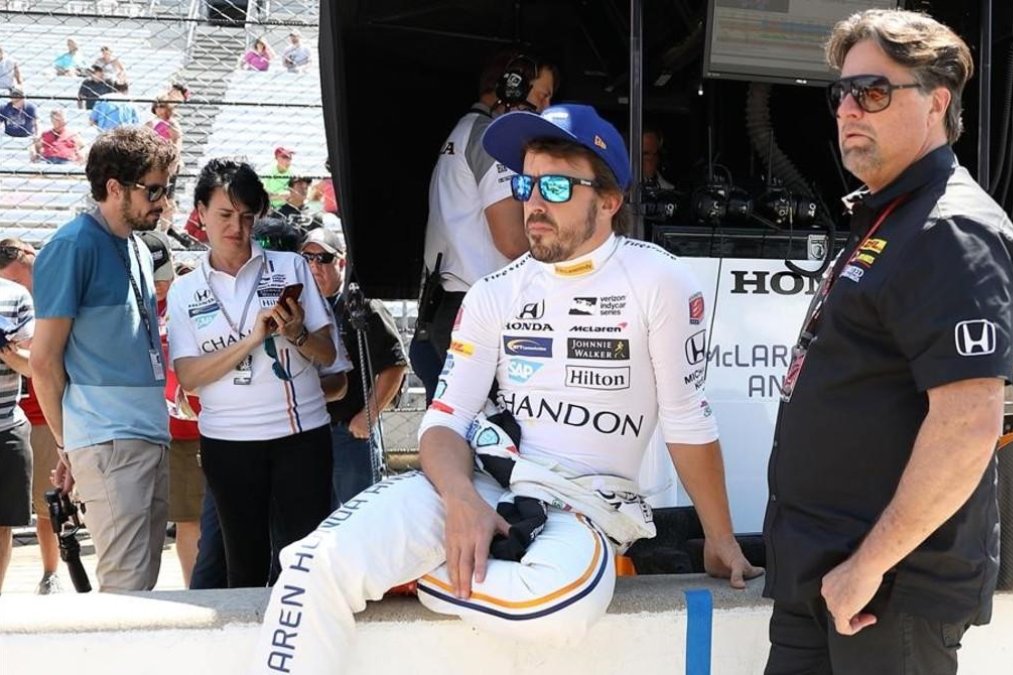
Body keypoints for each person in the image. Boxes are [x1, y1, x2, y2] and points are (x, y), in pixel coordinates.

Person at [249, 103, 760, 674]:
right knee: (309, 564)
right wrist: (461, 499)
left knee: (558, 610)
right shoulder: (494, 291)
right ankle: (414, 561)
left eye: (556, 186)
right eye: (525, 183)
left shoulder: (660, 280)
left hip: (584, 507)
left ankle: (418, 574)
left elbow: (687, 420)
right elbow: (444, 420)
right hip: (477, 483)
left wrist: (720, 538)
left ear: (609, 201)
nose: (533, 202)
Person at [762, 10, 1013, 674]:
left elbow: (967, 426)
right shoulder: (890, 216)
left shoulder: (951, 231)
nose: (848, 109)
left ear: (937, 102)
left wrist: (868, 566)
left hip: (888, 591)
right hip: (822, 574)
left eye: (873, 91)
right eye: (841, 93)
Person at [165, 158, 344, 588]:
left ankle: (302, 631)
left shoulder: (290, 267)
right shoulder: (185, 289)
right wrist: (251, 339)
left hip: (299, 435)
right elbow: (189, 377)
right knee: (243, 566)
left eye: (247, 217)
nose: (237, 227)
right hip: (227, 441)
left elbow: (328, 355)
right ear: (200, 212)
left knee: (304, 563)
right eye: (225, 215)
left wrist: (297, 333)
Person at [30, 126, 178, 592]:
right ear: (115, 187)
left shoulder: (139, 247)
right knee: (126, 591)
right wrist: (69, 444)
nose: (162, 201)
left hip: (146, 433)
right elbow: (43, 362)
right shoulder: (72, 246)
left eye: (166, 188)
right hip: (109, 438)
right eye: (153, 189)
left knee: (142, 586)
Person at [412, 49, 557, 403]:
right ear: (512, 87)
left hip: (449, 310)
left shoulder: (465, 130)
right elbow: (512, 241)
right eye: (543, 95)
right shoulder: (491, 139)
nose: (548, 107)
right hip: (476, 314)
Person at [301, 227, 407, 506]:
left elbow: (395, 365)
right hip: (308, 432)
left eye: (323, 258)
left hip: (348, 432)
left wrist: (368, 416)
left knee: (359, 518)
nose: (314, 266)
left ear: (341, 261)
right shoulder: (299, 307)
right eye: (307, 258)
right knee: (317, 521)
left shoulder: (362, 305)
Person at [133, 230, 207, 587]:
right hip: (158, 431)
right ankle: (191, 590)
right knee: (183, 518)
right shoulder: (131, 308)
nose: (160, 285)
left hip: (204, 426)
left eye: (164, 276)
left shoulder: (190, 297)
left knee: (208, 516)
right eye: (152, 278)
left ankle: (206, 588)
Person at [0, 240, 61, 594]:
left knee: (46, 505)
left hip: (30, 417)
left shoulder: (35, 298)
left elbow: (40, 363)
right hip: (27, 414)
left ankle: (51, 574)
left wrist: (10, 353)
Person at [0, 242, 35, 596]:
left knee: (2, 524)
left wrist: (7, 351)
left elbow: (33, 365)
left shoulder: (16, 297)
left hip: (6, 426)